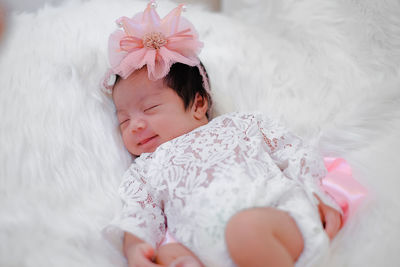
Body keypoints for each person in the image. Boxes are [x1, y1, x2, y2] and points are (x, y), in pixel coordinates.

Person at [102, 1, 342, 267]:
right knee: (168, 257)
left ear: (199, 104)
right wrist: (136, 249)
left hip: (273, 222)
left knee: (245, 230)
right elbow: (138, 213)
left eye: (150, 108)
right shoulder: (144, 169)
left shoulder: (239, 126)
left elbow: (292, 151)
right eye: (123, 120)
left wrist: (318, 194)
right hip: (208, 251)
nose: (134, 125)